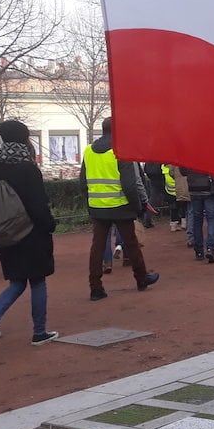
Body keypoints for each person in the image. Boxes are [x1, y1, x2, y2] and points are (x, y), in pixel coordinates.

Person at [0, 120, 59, 349]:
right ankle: (39, 332)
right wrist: (48, 225)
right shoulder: (27, 167)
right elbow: (38, 203)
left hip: (5, 232)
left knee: (17, 281)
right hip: (31, 232)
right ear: (24, 138)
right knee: (38, 281)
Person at [80, 117, 159, 301]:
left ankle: (96, 287)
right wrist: (137, 207)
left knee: (97, 247)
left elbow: (82, 183)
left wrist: (90, 204)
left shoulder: (88, 151)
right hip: (120, 205)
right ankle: (141, 278)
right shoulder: (120, 151)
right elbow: (130, 184)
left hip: (98, 207)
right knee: (131, 244)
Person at [181, 168, 214, 262]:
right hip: (209, 188)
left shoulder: (188, 155)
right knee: (212, 219)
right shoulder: (211, 154)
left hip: (194, 188)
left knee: (197, 220)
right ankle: (210, 248)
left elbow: (183, 171)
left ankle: (199, 251)